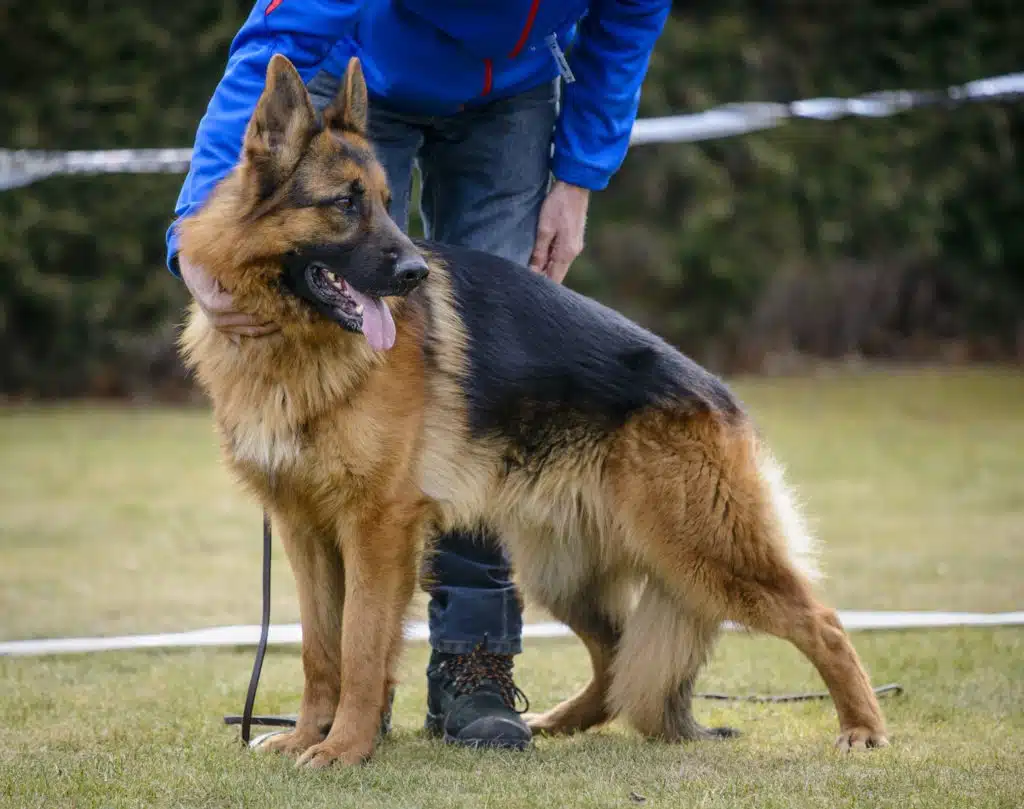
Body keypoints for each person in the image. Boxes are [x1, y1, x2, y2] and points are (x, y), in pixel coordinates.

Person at [167, 0, 672, 751]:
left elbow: (627, 21)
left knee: (484, 402)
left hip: (516, 97)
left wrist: (579, 173)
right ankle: (334, 702)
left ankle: (475, 668)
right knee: (345, 312)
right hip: (373, 78)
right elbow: (279, 36)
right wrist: (193, 231)